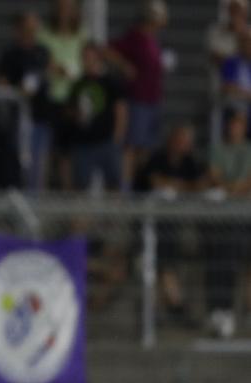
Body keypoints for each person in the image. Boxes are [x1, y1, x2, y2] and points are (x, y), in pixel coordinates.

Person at [135, 124, 208, 321]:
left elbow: (199, 185)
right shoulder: (157, 158)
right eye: (180, 141)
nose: (183, 146)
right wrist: (183, 186)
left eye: (186, 143)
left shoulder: (189, 161)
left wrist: (176, 185)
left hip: (174, 221)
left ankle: (170, 306)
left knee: (165, 260)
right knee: (159, 261)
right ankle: (174, 305)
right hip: (149, 220)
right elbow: (156, 182)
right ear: (172, 140)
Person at [107, 0, 168, 187]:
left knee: (145, 148)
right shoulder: (135, 37)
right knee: (131, 147)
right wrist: (125, 66)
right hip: (138, 100)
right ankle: (125, 190)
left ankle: (139, 187)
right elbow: (108, 50)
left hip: (152, 100)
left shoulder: (153, 40)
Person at [204, 110, 251, 337]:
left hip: (245, 218)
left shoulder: (249, 150)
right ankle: (221, 311)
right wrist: (233, 189)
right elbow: (214, 176)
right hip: (223, 220)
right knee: (221, 257)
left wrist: (233, 189)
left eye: (239, 124)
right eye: (232, 124)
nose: (235, 129)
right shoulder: (218, 149)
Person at [0, 11, 52, 191]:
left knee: (37, 164)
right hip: (18, 119)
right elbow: (0, 82)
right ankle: (16, 200)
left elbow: (51, 72)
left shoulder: (42, 51)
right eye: (28, 26)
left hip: (40, 116)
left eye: (34, 26)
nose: (32, 30)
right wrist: (18, 89)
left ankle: (33, 204)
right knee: (17, 162)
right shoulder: (11, 54)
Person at [38, 0, 87, 189]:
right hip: (51, 98)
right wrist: (60, 69)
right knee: (48, 149)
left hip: (73, 98)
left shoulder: (81, 33)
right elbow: (41, 59)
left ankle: (67, 193)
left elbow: (86, 58)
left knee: (68, 151)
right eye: (61, 8)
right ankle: (43, 191)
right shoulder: (44, 34)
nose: (65, 13)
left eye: (69, 9)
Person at [68, 43, 127, 191]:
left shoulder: (110, 81)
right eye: (84, 57)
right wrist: (77, 114)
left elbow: (121, 110)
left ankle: (114, 214)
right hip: (84, 142)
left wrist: (117, 137)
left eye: (89, 57)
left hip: (106, 141)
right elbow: (70, 110)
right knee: (80, 185)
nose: (86, 60)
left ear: (98, 58)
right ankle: (81, 215)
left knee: (113, 184)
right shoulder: (78, 84)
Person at [209, 0, 249, 65]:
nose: (235, 14)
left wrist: (242, 34)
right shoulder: (215, 32)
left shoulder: (248, 32)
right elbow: (215, 58)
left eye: (238, 10)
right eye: (233, 10)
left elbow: (248, 55)